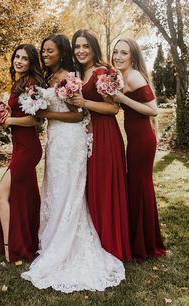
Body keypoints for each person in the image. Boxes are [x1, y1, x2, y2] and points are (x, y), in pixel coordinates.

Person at [21, 34, 125, 292]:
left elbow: (78, 115)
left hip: (70, 140)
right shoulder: (51, 77)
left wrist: (45, 113)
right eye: (43, 51)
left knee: (69, 191)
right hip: (56, 141)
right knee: (56, 190)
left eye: (50, 51)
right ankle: (54, 239)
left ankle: (66, 245)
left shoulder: (68, 77)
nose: (45, 55)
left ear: (61, 52)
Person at [71, 29, 132, 262]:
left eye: (85, 46)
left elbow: (113, 108)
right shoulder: (79, 72)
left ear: (94, 47)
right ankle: (98, 238)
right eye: (77, 46)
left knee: (105, 186)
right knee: (92, 187)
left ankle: (112, 243)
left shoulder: (102, 72)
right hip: (87, 134)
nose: (81, 50)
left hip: (105, 134)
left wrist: (84, 101)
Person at [112, 37, 166, 263]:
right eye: (115, 52)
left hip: (143, 140)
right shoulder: (123, 76)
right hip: (135, 139)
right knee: (136, 186)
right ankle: (140, 239)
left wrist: (121, 97)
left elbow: (153, 110)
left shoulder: (133, 76)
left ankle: (145, 244)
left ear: (133, 55)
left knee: (139, 186)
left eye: (124, 53)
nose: (118, 57)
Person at [0, 44, 44, 263]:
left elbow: (35, 119)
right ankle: (29, 242)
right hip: (19, 147)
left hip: (28, 149)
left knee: (1, 194)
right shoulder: (18, 84)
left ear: (31, 63)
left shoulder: (32, 84)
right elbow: (17, 114)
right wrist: (0, 117)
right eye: (17, 56)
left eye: (25, 58)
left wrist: (9, 120)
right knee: (25, 198)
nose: (19, 61)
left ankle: (10, 249)